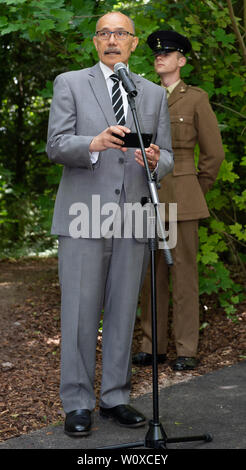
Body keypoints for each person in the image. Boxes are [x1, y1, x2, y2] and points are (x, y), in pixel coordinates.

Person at [46, 13, 173, 437]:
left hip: (134, 215)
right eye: (105, 33)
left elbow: (169, 155)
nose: (112, 39)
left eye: (120, 33)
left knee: (122, 312)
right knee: (80, 314)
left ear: (134, 44)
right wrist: (94, 144)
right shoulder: (71, 82)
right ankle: (78, 403)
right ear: (95, 41)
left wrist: (157, 161)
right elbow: (57, 144)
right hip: (83, 216)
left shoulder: (152, 93)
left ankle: (115, 396)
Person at [133, 30, 224, 371]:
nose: (160, 57)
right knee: (150, 277)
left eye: (168, 54)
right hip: (148, 195)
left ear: (181, 60)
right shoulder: (142, 97)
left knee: (184, 275)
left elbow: (213, 155)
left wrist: (195, 189)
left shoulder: (196, 99)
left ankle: (186, 348)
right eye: (157, 53)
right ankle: (151, 345)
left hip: (183, 197)